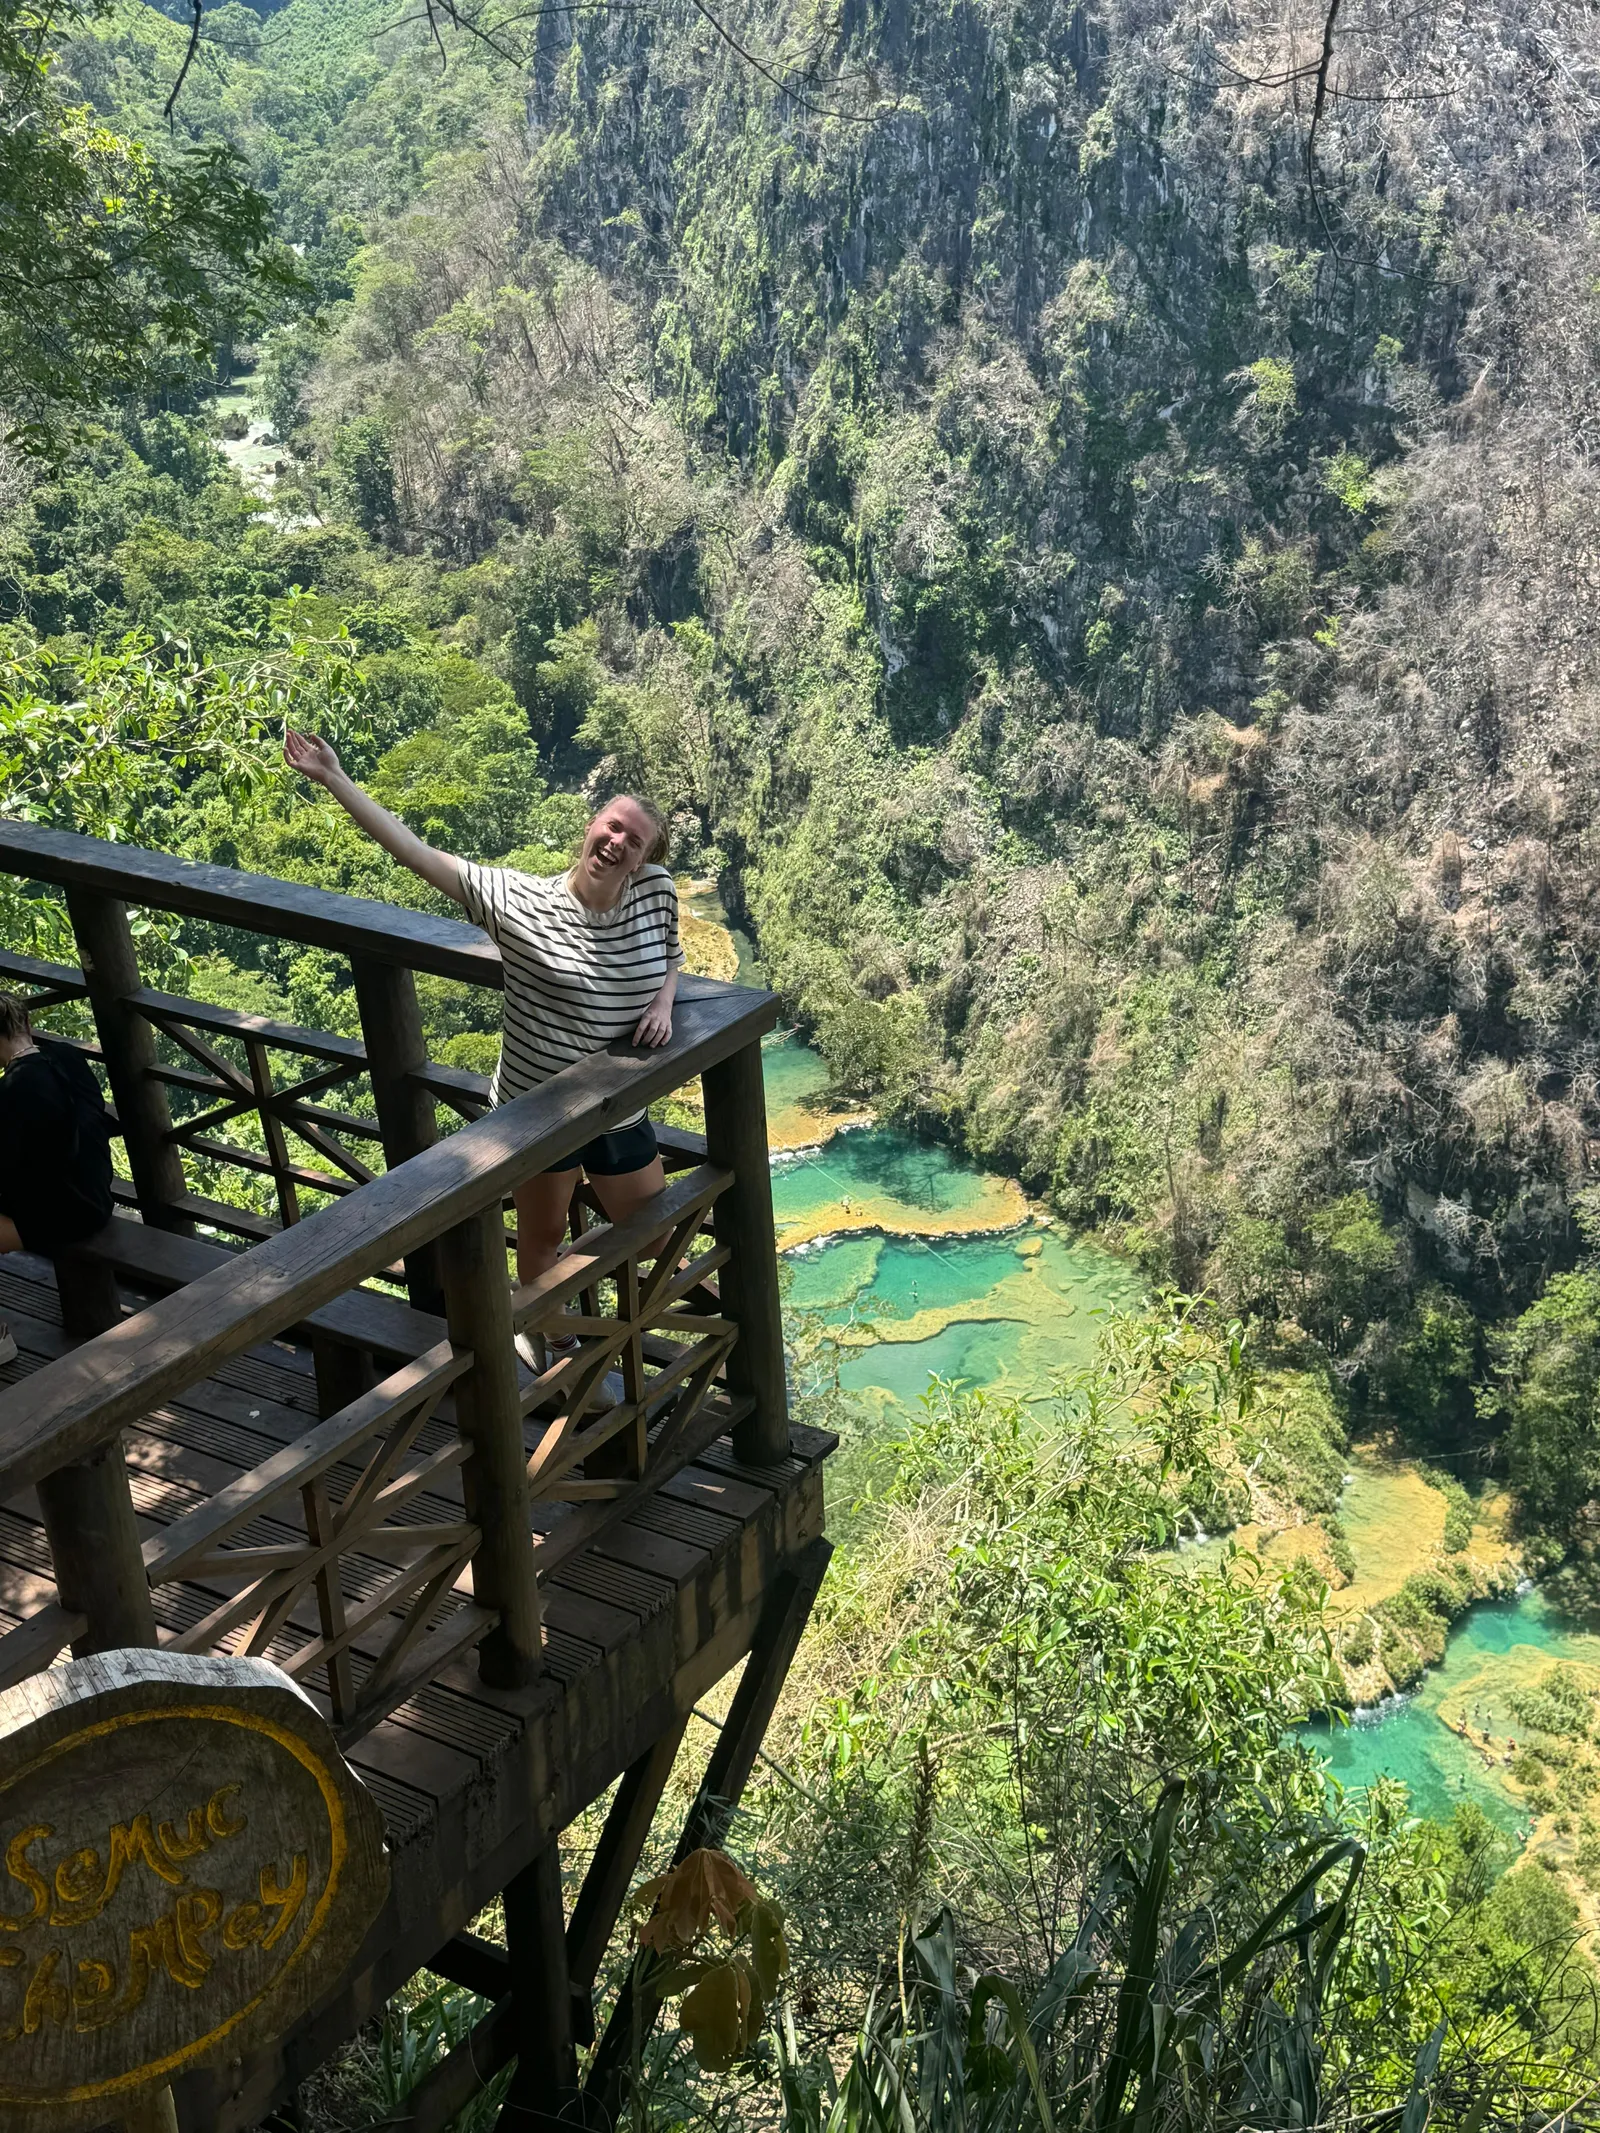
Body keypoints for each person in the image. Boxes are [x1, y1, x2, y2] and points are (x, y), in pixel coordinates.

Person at [283, 730, 682, 1362]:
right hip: (537, 1110)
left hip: (619, 1105)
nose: (617, 843)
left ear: (643, 858)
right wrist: (335, 778)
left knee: (657, 1234)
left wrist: (662, 1001)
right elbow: (416, 853)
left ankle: (544, 1307)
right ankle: (555, 1340)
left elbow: (671, 956)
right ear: (590, 826)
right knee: (543, 1239)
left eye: (632, 841)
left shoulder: (656, 892)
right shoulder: (519, 902)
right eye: (612, 827)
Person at [0, 990, 116, 1363]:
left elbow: (13, 1169)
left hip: (65, 1213)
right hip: (96, 1194)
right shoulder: (68, 1058)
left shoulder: (14, 1089)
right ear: (27, 1024)